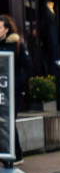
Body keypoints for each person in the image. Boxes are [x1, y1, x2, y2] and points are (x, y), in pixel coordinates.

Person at [0, 14, 31, 162]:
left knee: (9, 120)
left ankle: (16, 154)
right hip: (1, 90)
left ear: (6, 29)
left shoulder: (17, 44)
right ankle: (11, 153)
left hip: (15, 90)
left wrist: (18, 82)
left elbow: (28, 67)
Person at [40, 1, 60, 75]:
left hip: (53, 36)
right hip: (50, 37)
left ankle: (54, 72)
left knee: (54, 54)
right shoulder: (46, 11)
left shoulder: (51, 9)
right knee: (52, 55)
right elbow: (43, 24)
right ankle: (52, 73)